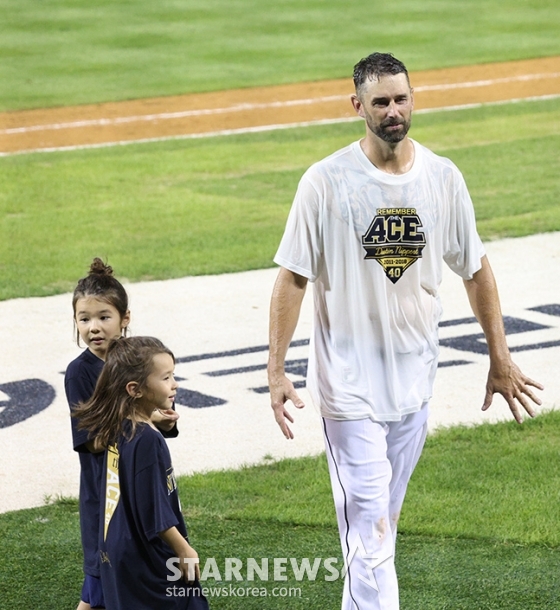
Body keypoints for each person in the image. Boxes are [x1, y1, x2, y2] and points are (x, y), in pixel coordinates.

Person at [267, 52, 544, 610]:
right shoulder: (325, 182)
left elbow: (475, 269)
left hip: (414, 384)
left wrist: (501, 357)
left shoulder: (442, 177)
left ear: (413, 99)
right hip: (347, 387)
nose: (393, 111)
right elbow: (293, 277)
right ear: (357, 106)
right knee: (368, 525)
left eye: (401, 99)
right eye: (380, 102)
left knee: (379, 528)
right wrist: (276, 369)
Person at [65, 258, 179, 610]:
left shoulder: (138, 361)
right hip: (106, 499)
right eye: (84, 319)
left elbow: (160, 415)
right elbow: (91, 440)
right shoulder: (79, 372)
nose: (93, 327)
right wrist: (139, 424)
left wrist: (165, 422)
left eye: (104, 317)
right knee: (97, 589)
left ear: (125, 319)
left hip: (139, 492)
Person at [73, 336, 208, 610]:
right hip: (147, 560)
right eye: (166, 377)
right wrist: (184, 549)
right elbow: (153, 513)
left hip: (118, 554)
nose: (175, 384)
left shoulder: (118, 427)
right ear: (135, 389)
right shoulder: (147, 440)